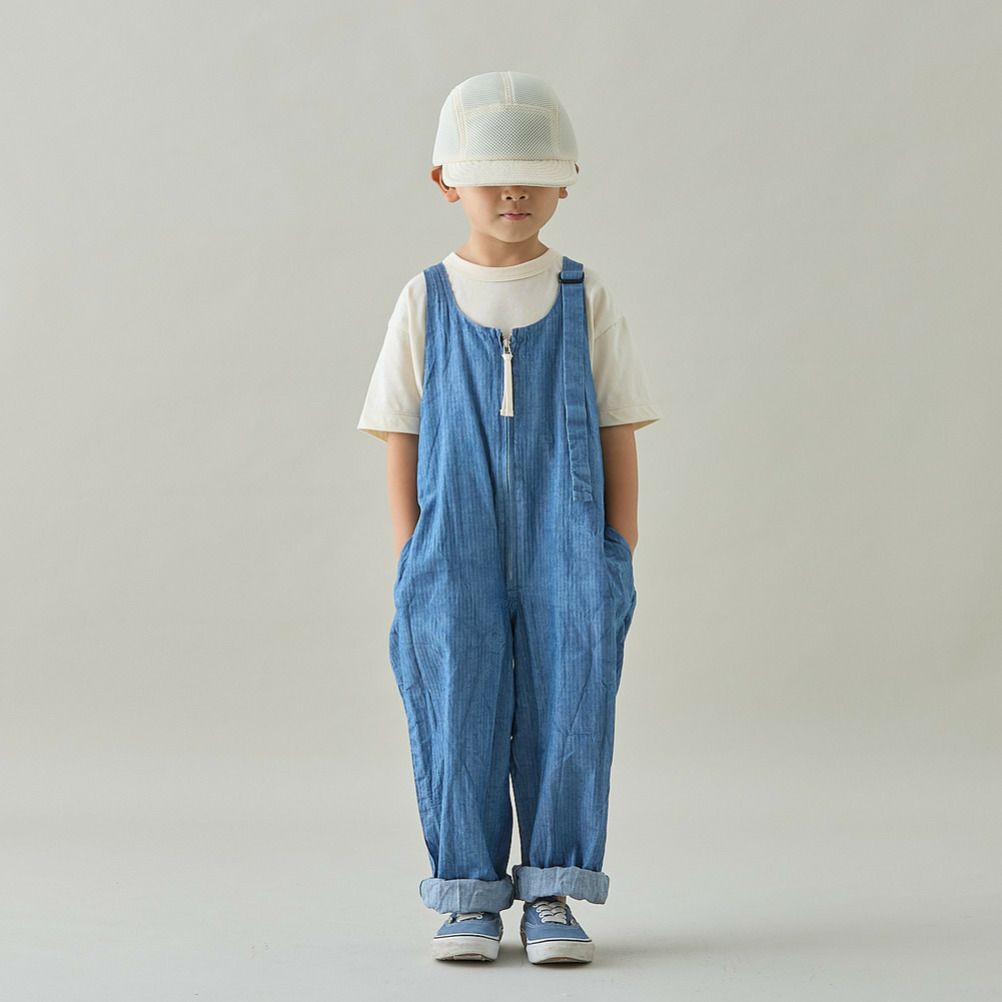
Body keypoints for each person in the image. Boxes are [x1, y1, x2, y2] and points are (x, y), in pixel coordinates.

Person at [356, 70, 662, 964]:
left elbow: (616, 424)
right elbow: (400, 432)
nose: (514, 193)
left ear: (565, 182)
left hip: (571, 537)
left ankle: (555, 890)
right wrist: (413, 550)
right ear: (446, 182)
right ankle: (469, 894)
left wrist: (616, 546)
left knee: (573, 701)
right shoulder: (424, 298)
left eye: (533, 176)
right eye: (492, 178)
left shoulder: (583, 295)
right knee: (457, 701)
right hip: (450, 543)